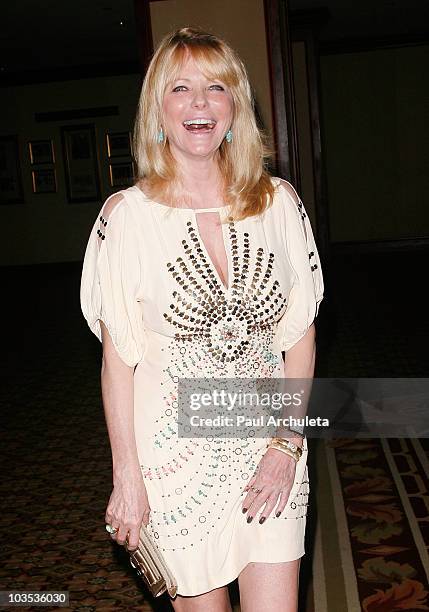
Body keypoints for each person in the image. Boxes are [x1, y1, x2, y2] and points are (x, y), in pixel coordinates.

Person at [80, 26, 324, 612]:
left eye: (216, 88)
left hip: (271, 447)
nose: (199, 104)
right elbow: (118, 362)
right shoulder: (128, 217)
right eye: (180, 88)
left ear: (234, 108)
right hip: (174, 462)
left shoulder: (278, 203)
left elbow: (300, 335)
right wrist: (128, 479)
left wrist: (286, 444)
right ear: (157, 112)